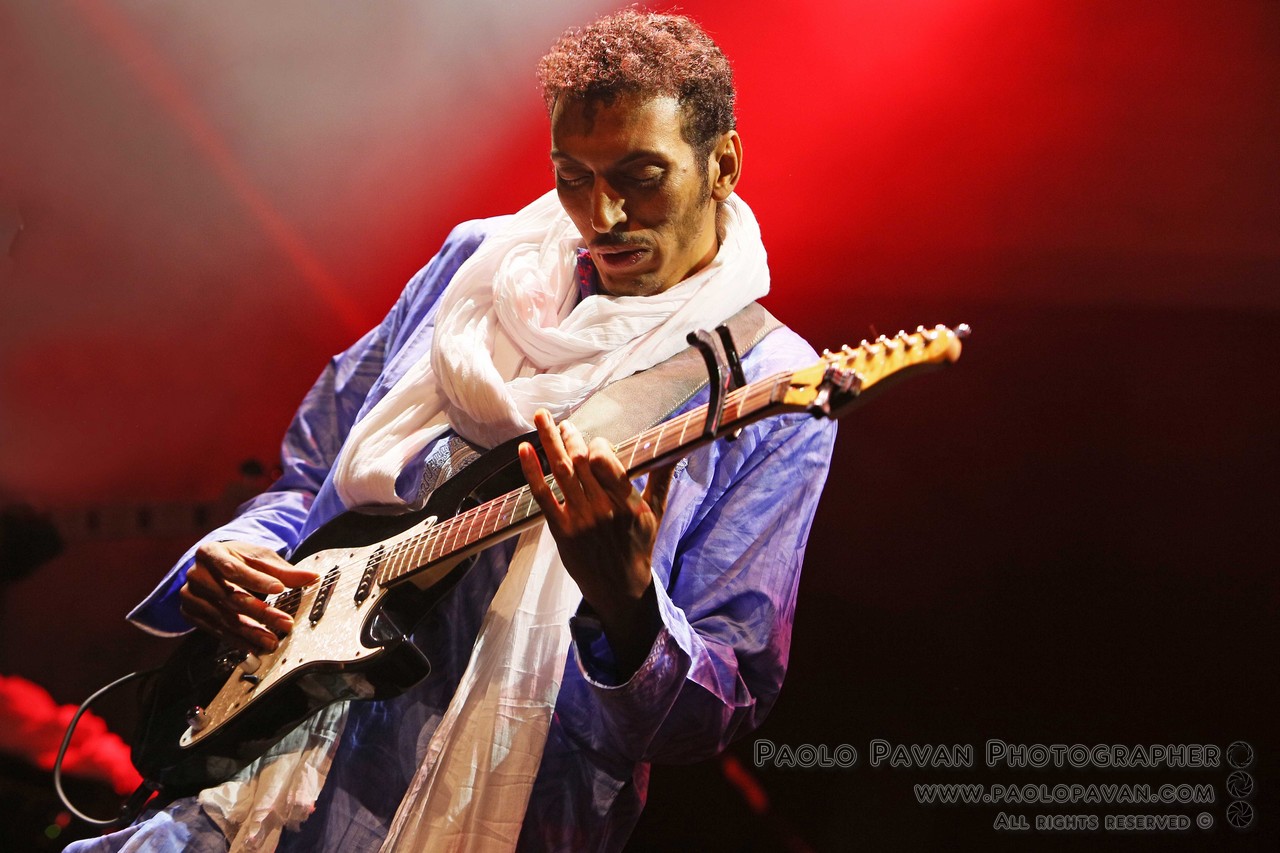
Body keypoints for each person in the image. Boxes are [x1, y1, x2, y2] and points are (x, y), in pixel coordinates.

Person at [70, 10, 836, 851]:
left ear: (722, 163)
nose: (602, 214)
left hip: (497, 811)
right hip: (258, 766)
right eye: (572, 176)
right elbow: (312, 474)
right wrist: (236, 555)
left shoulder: (766, 384)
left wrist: (628, 607)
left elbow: (717, 707)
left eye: (640, 176)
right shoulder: (477, 265)